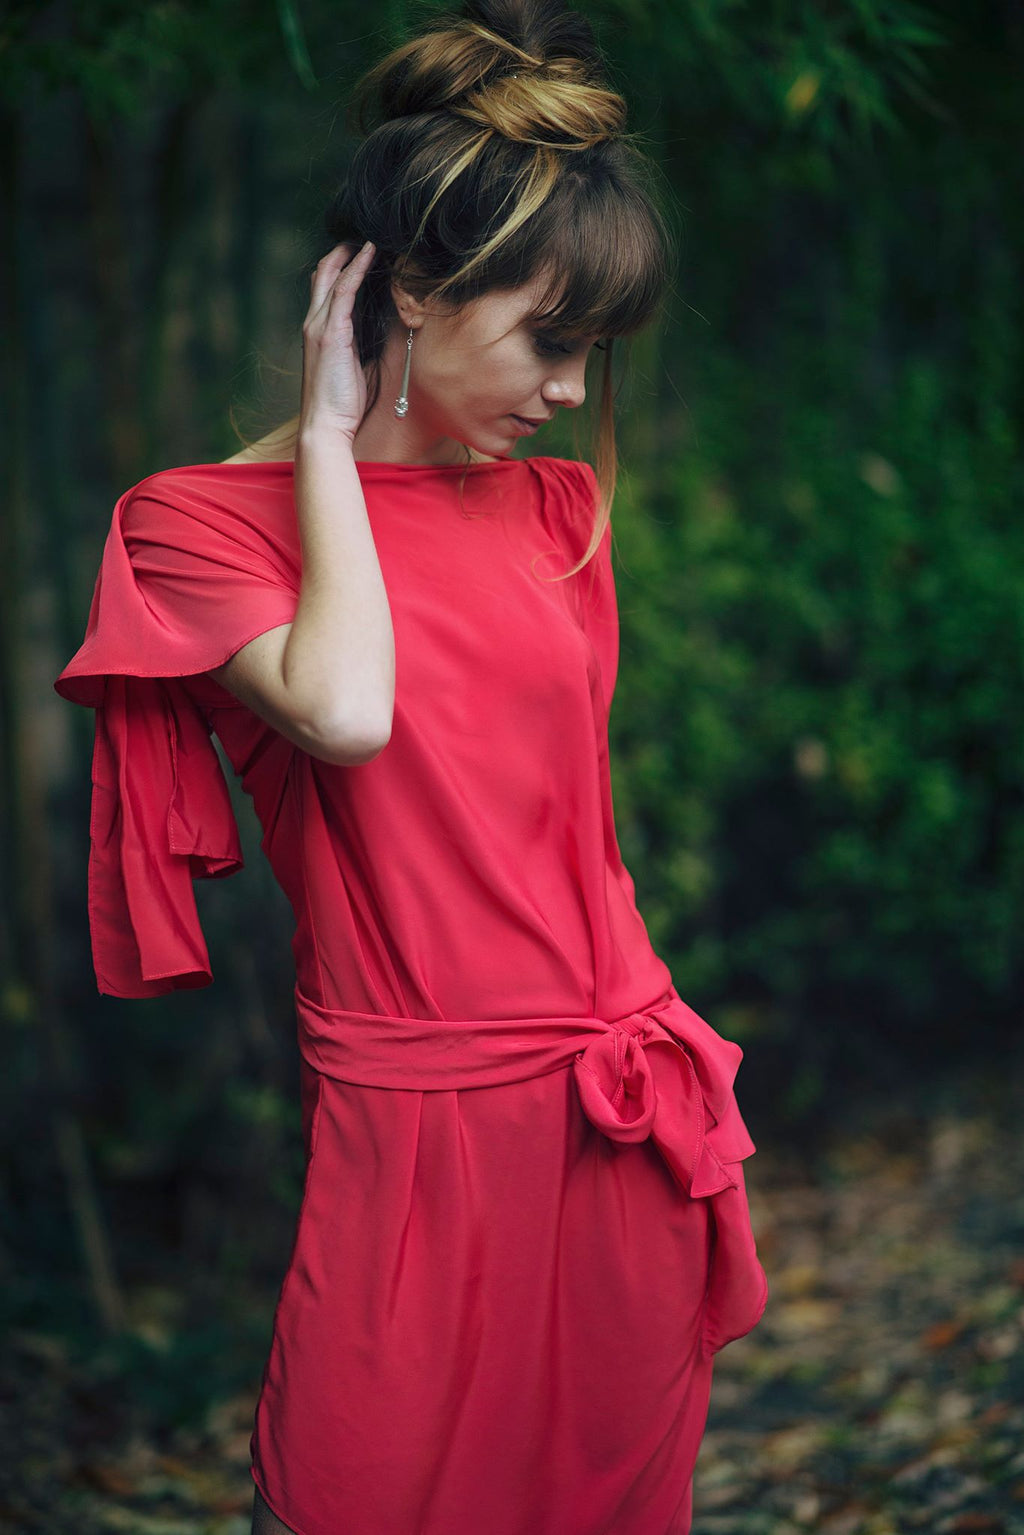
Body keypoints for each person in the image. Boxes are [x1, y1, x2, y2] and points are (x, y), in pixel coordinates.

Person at [54, 1, 769, 1531]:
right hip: (413, 1129)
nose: (573, 390)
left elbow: (566, 829)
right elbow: (346, 713)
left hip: (617, 1113)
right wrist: (327, 444)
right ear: (417, 294)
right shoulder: (192, 523)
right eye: (551, 340)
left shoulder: (553, 512)